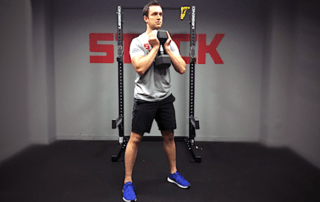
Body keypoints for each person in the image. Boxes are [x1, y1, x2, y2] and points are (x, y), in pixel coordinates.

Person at [122, 1, 190, 201]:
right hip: (144, 98)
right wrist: (154, 48)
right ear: (146, 18)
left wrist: (167, 48)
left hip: (165, 98)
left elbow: (181, 68)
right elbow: (140, 68)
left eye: (161, 14)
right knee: (135, 139)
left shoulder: (169, 40)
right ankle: (127, 182)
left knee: (169, 136)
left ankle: (173, 172)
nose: (159, 17)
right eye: (154, 14)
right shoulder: (137, 42)